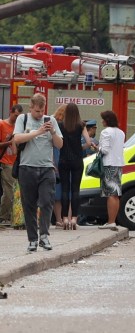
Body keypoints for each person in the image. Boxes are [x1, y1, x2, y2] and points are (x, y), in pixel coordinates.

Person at [12, 93, 63, 252]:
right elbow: (18, 139)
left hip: (47, 169)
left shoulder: (51, 120)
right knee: (29, 205)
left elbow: (60, 145)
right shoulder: (23, 119)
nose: (40, 114)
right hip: (27, 168)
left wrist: (53, 132)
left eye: (42, 111)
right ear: (31, 108)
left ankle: (44, 236)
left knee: (47, 201)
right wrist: (39, 132)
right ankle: (33, 239)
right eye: (37, 111)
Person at [57, 103, 96, 231]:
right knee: (75, 190)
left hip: (63, 160)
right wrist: (80, 148)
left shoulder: (61, 125)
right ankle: (74, 218)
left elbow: (57, 143)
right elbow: (89, 142)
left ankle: (64, 219)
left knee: (64, 190)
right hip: (77, 160)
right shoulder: (81, 125)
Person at [97, 110, 125, 231]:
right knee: (116, 194)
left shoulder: (105, 132)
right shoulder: (121, 133)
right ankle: (112, 220)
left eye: (103, 119)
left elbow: (105, 150)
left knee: (110, 194)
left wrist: (97, 147)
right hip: (118, 164)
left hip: (109, 164)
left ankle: (111, 221)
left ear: (107, 120)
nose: (102, 121)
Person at [0, 104, 24, 227]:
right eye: (15, 116)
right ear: (11, 112)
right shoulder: (2, 125)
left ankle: (10, 216)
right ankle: (3, 216)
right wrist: (10, 142)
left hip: (16, 162)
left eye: (19, 116)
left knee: (16, 192)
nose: (17, 118)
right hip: (5, 161)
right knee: (9, 191)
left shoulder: (19, 127)